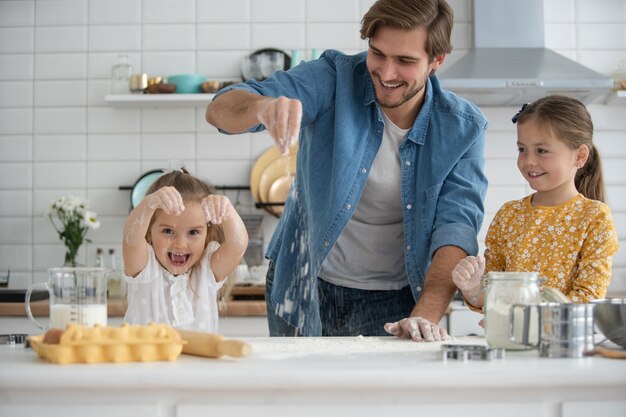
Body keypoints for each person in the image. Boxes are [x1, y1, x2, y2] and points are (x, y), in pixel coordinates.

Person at [206, 0, 488, 341]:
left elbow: (454, 230)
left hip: (393, 300)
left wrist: (424, 316)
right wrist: (262, 106)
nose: (386, 73)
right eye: (378, 54)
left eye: (405, 61)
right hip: (303, 282)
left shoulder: (464, 129)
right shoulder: (332, 78)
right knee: (296, 393)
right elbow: (220, 109)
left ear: (436, 61)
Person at [452, 95, 619, 311]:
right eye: (522, 149)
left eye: (542, 151)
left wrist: (524, 320)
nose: (529, 161)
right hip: (510, 340)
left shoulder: (594, 217)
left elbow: (588, 297)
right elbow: (492, 296)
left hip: (564, 339)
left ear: (579, 156)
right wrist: (473, 289)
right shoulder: (509, 214)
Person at [122, 168, 249, 332]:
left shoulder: (206, 271)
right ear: (149, 232)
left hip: (198, 359)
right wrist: (148, 204)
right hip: (148, 358)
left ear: (207, 233)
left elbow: (237, 246)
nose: (180, 244)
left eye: (193, 232)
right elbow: (130, 240)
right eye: (168, 231)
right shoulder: (144, 268)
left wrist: (227, 210)